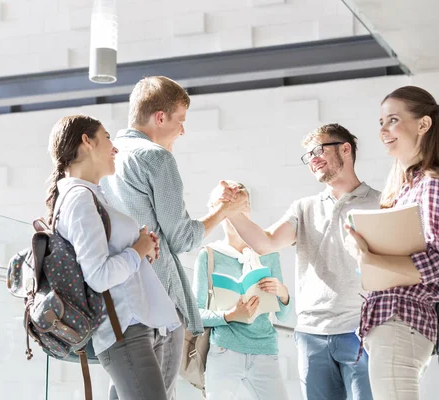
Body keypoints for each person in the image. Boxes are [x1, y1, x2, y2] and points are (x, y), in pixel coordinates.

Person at [101, 76, 245, 399]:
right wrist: (224, 209)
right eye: (180, 121)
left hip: (119, 300)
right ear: (160, 117)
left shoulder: (108, 157)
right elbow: (181, 238)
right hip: (159, 298)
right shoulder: (156, 157)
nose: (183, 131)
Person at [215, 123, 379, 400]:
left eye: (318, 150)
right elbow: (265, 241)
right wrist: (230, 211)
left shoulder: (378, 203)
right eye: (308, 155)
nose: (312, 159)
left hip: (361, 330)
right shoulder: (304, 208)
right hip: (311, 334)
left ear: (345, 148)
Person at [46, 115, 182, 400]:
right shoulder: (80, 199)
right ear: (87, 141)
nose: (115, 148)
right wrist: (138, 249)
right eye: (107, 137)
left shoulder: (90, 195)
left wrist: (141, 250)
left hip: (133, 325)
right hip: (123, 331)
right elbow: (99, 276)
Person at [344, 86, 439, 400]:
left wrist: (370, 259)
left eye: (393, 120)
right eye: (381, 122)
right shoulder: (406, 188)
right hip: (393, 322)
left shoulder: (433, 185)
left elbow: (438, 263)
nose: (383, 130)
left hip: (401, 321)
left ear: (423, 125)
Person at [193, 181, 293, 400]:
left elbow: (285, 315)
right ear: (216, 209)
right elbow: (196, 315)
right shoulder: (208, 255)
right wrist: (230, 316)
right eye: (227, 202)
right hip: (224, 351)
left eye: (242, 204)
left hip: (265, 350)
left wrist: (283, 293)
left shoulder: (268, 253)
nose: (237, 209)